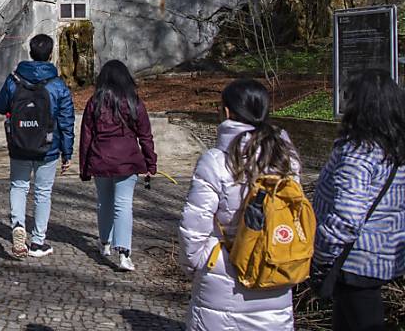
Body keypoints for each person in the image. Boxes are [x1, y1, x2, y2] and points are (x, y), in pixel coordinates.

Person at [179, 79, 300, 330]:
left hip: (225, 274)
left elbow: (194, 225)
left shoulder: (215, 161)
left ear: (226, 112)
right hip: (275, 267)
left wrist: (199, 264)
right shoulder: (286, 157)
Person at [311, 69, 405, 331]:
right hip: (382, 256)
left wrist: (321, 254)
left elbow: (347, 217)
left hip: (354, 260)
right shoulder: (394, 147)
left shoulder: (358, 152)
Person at [0, 34, 75, 259]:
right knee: (42, 192)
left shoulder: (14, 80)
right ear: (51, 55)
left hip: (19, 143)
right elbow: (67, 121)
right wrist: (67, 152)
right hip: (48, 146)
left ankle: (18, 225)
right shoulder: (58, 85)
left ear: (30, 52)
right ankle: (38, 241)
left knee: (19, 186)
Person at [79, 59, 156, 271]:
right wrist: (151, 163)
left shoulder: (94, 102)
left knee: (104, 201)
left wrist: (84, 168)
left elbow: (86, 137)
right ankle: (124, 253)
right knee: (123, 204)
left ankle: (105, 242)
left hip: (100, 159)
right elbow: (145, 136)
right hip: (128, 161)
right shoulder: (134, 102)